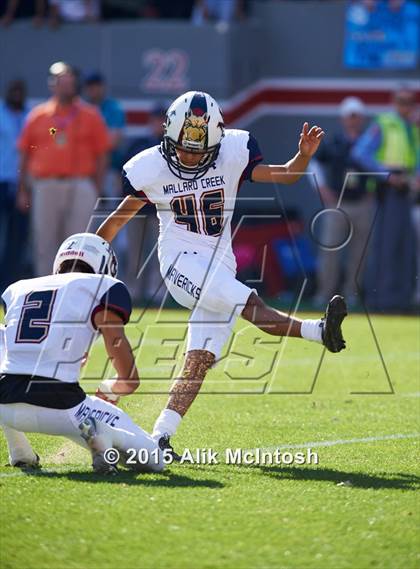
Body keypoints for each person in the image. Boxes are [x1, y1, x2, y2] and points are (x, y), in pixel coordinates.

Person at [96, 91, 348, 458]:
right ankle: (318, 330)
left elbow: (288, 175)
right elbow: (119, 218)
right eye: (183, 148)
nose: (189, 155)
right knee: (250, 303)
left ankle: (160, 437)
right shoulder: (149, 166)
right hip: (179, 261)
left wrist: (303, 156)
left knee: (199, 359)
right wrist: (88, 256)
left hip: (220, 260)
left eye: (199, 150)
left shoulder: (234, 150)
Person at [0, 233, 164, 474]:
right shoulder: (103, 287)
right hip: (63, 409)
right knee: (154, 459)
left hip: (5, 405)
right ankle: (100, 434)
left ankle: (18, 449)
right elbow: (129, 379)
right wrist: (111, 388)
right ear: (105, 267)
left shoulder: (18, 288)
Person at [16, 61, 110, 278]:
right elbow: (24, 154)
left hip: (80, 183)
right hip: (46, 184)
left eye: (69, 82)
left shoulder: (91, 115)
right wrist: (23, 189)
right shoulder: (38, 115)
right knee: (44, 242)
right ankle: (45, 291)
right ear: (52, 85)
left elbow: (102, 154)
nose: (65, 86)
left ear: (75, 85)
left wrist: (96, 187)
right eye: (60, 82)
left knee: (80, 244)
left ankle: (75, 290)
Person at [352, 85, 419, 312]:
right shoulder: (384, 124)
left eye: (409, 101)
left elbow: (414, 157)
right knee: (386, 247)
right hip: (388, 191)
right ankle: (381, 301)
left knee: (405, 247)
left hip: (407, 190)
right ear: (394, 101)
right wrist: (387, 175)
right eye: (401, 101)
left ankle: (401, 300)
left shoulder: (413, 127)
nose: (405, 106)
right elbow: (360, 153)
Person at [311, 96, 373, 308]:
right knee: (329, 250)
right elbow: (314, 164)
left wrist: (373, 191)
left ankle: (352, 295)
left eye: (357, 116)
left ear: (362, 119)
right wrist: (322, 189)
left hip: (363, 204)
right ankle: (324, 294)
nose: (353, 120)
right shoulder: (334, 142)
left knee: (359, 253)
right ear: (343, 119)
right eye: (350, 116)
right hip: (338, 204)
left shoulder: (370, 142)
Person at [122, 105, 166, 303]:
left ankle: (156, 292)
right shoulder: (139, 144)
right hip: (137, 206)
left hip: (161, 209)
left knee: (160, 253)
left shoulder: (172, 148)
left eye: (162, 120)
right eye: (156, 119)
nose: (159, 124)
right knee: (135, 254)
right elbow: (124, 173)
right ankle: (132, 290)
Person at [0, 79, 30, 293]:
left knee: (18, 238)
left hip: (22, 184)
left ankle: (10, 284)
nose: (17, 95)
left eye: (20, 91)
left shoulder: (32, 115)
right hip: (1, 180)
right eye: (14, 91)